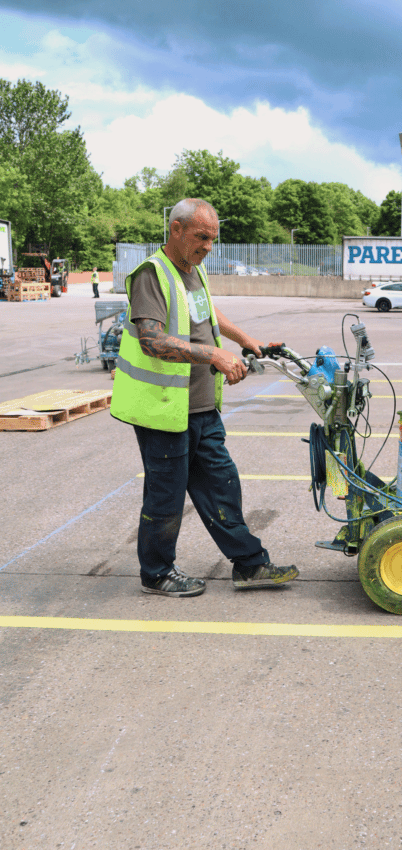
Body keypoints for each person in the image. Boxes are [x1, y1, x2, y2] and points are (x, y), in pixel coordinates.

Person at [110, 198, 299, 597]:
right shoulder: (151, 274)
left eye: (213, 239)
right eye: (201, 237)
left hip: (200, 407)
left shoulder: (193, 270)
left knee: (221, 486)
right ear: (176, 229)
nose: (208, 246)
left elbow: (207, 313)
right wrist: (215, 355)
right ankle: (156, 572)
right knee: (165, 497)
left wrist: (246, 340)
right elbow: (151, 340)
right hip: (163, 409)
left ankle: (250, 565)